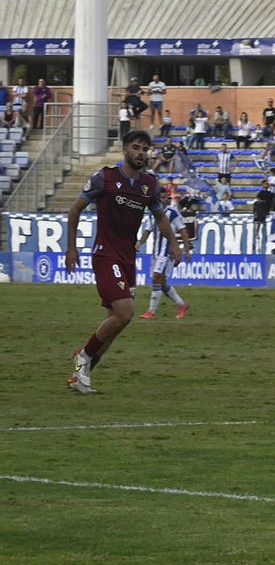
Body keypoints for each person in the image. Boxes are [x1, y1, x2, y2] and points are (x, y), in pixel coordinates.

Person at [64, 130, 187, 394]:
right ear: (125, 150)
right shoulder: (104, 177)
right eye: (136, 147)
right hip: (105, 254)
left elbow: (161, 217)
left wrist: (174, 243)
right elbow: (75, 210)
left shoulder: (150, 184)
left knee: (116, 322)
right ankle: (83, 356)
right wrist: (71, 248)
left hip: (128, 257)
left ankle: (79, 377)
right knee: (124, 313)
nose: (141, 153)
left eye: (145, 148)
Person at [138, 195, 193, 319]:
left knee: (156, 277)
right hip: (156, 253)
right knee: (162, 283)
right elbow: (147, 232)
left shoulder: (172, 213)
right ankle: (182, 304)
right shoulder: (152, 214)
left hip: (167, 252)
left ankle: (151, 311)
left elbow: (183, 231)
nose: (162, 199)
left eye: (164, 197)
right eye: (159, 197)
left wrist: (187, 250)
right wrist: (139, 243)